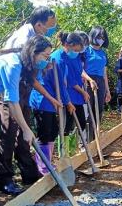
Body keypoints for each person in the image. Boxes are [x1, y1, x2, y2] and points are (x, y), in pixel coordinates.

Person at [0, 6, 59, 195]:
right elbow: (19, 75)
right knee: (10, 130)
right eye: (49, 27)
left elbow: (31, 78)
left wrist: (49, 96)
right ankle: (4, 179)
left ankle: (29, 172)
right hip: (7, 86)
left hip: (23, 87)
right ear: (39, 24)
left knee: (26, 130)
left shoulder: (37, 40)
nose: (51, 30)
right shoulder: (24, 39)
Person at [0, 35, 51, 205]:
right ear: (34, 53)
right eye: (45, 56)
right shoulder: (12, 64)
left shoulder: (22, 61)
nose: (46, 61)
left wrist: (26, 128)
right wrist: (26, 129)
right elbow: (12, 102)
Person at [29, 33, 82, 175]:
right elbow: (59, 84)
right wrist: (68, 102)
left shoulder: (58, 59)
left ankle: (47, 162)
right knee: (45, 132)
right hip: (42, 101)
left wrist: (66, 102)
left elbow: (62, 84)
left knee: (52, 131)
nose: (76, 53)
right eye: (76, 49)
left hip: (52, 101)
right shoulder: (54, 61)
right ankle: (42, 166)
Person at [60, 32, 91, 156]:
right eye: (78, 49)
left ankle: (75, 149)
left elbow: (80, 73)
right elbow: (70, 80)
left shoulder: (77, 57)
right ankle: (64, 152)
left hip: (78, 95)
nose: (79, 51)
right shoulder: (66, 59)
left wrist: (88, 80)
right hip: (70, 95)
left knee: (81, 121)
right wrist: (83, 91)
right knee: (68, 124)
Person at [84, 26, 111, 141]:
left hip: (100, 81)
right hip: (88, 81)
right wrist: (89, 80)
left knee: (98, 110)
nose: (101, 39)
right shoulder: (85, 50)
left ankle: (95, 140)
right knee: (89, 111)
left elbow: (104, 72)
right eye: (99, 37)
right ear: (93, 36)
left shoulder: (103, 53)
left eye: (103, 37)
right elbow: (80, 69)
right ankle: (86, 141)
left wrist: (107, 90)